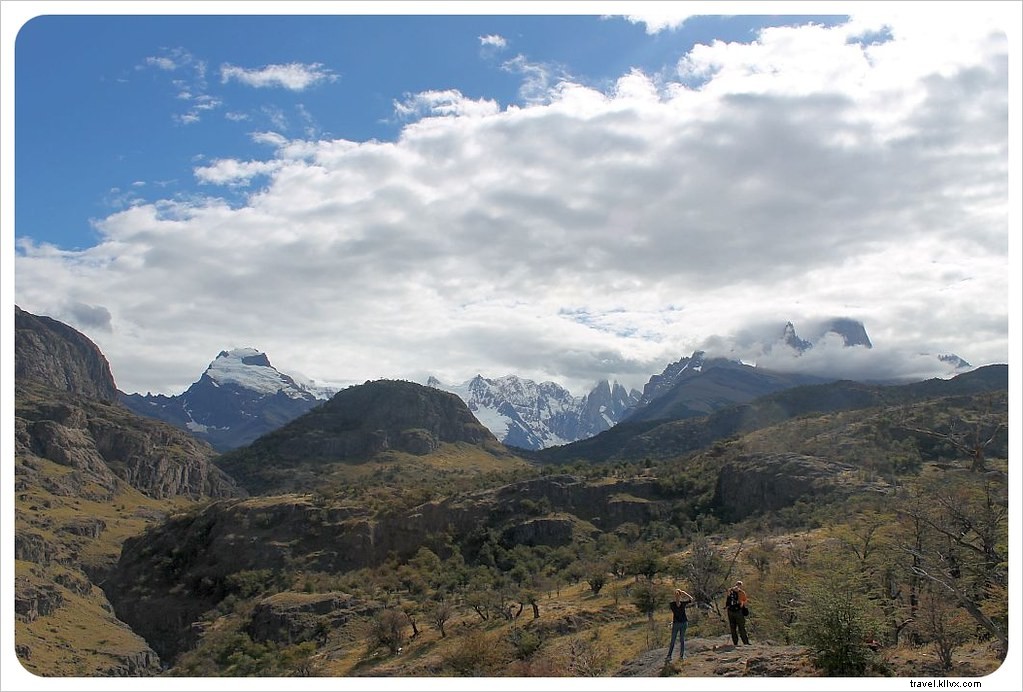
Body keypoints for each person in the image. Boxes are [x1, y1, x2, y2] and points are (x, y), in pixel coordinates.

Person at [665, 588, 694, 662]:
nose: (677, 596)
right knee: (677, 640)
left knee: (677, 640)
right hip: (680, 623)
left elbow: (691, 599)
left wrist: (682, 593)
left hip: (680, 623)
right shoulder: (678, 604)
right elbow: (691, 599)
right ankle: (675, 656)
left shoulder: (675, 604)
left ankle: (675, 656)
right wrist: (683, 593)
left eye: (677, 595)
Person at [724, 580, 750, 646]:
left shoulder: (730, 591)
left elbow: (727, 599)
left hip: (730, 611)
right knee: (741, 627)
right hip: (738, 611)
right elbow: (744, 601)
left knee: (733, 628)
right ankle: (745, 642)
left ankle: (735, 643)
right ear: (740, 585)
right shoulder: (741, 592)